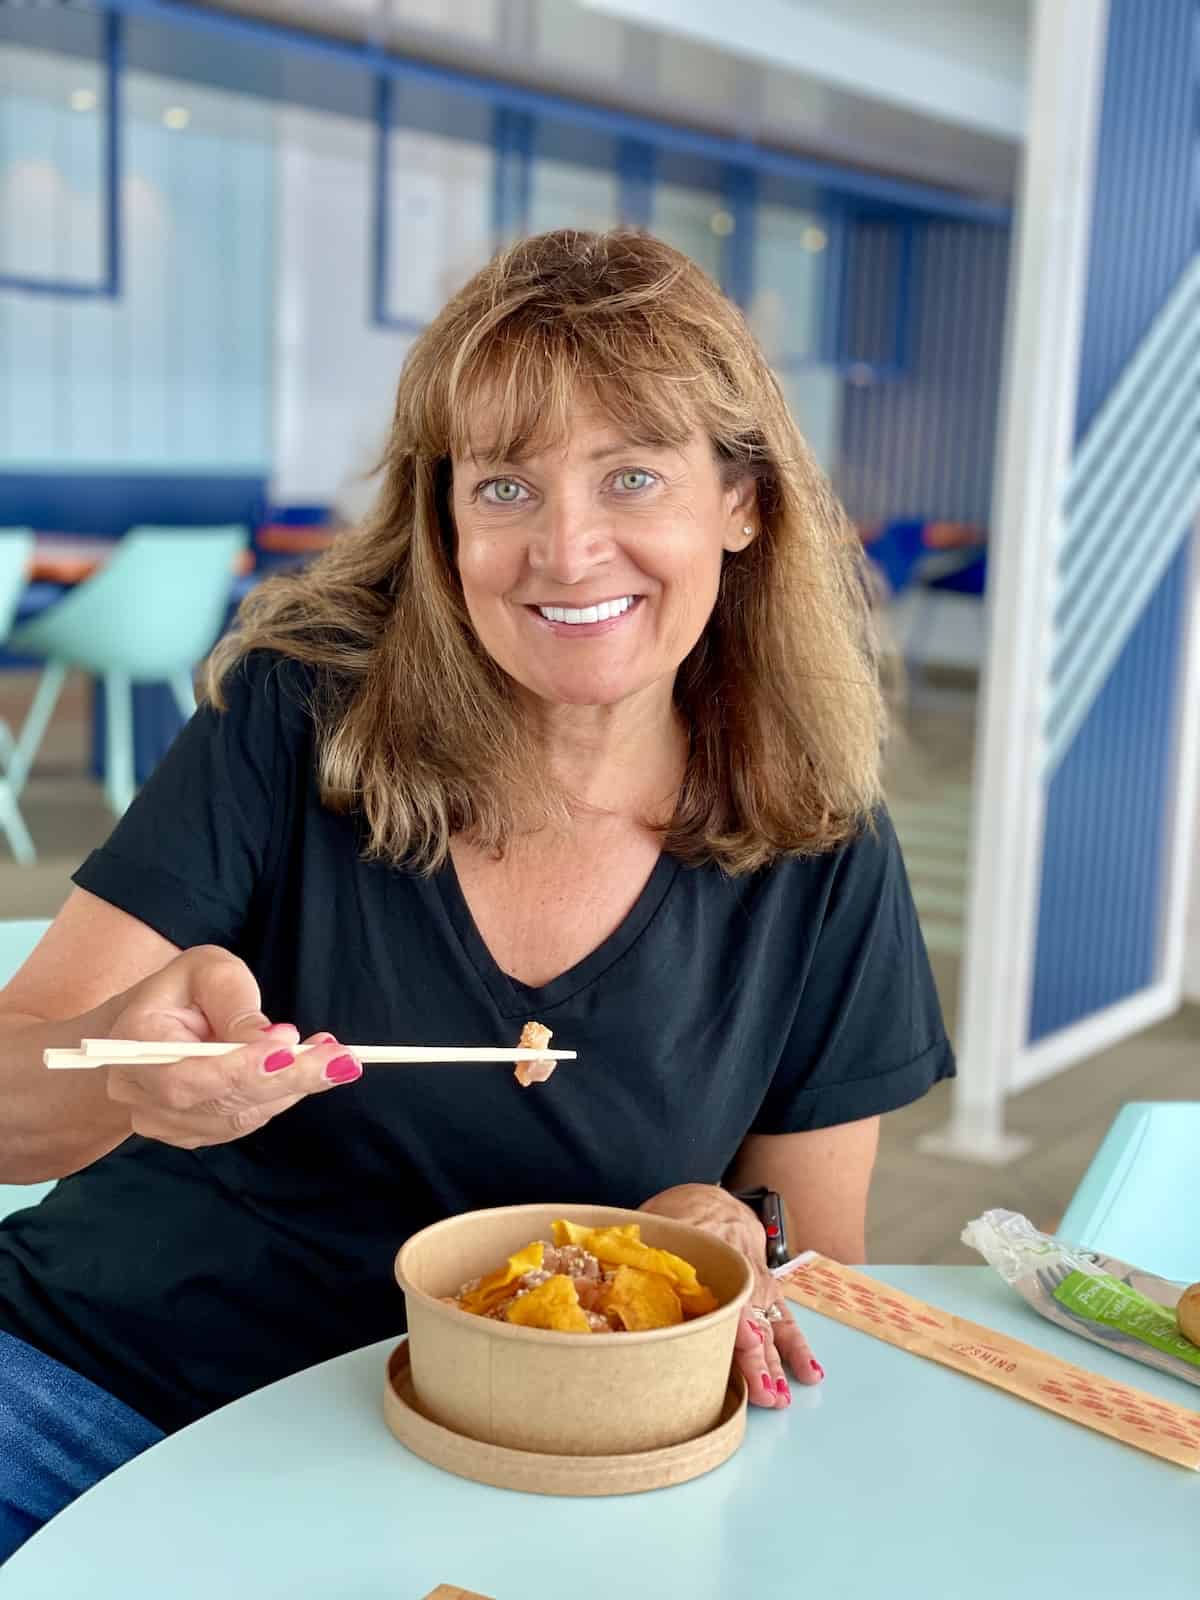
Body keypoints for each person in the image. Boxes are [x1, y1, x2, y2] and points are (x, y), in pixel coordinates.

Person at [0, 228, 952, 1559]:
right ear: (445, 520)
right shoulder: (301, 718)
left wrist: (720, 1233)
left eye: (630, 476)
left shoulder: (822, 846)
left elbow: (811, 1270)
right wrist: (121, 1082)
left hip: (508, 1483)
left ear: (741, 503)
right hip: (90, 1393)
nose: (567, 551)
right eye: (505, 487)